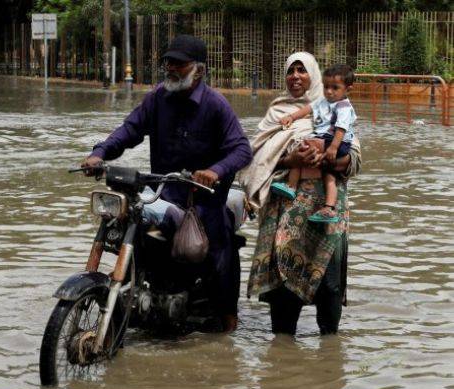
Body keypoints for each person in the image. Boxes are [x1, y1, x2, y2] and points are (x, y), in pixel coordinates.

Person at [81, 35, 253, 332]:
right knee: (132, 224)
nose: (171, 68)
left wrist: (215, 170)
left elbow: (241, 149)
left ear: (198, 69)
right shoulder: (157, 98)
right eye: (168, 62)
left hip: (203, 199)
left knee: (219, 249)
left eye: (179, 63)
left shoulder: (216, 105)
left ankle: (229, 320)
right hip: (162, 192)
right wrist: (100, 153)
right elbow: (129, 130)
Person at [240, 52, 362, 336]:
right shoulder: (277, 113)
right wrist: (292, 160)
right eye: (290, 71)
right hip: (285, 207)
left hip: (327, 209)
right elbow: (256, 159)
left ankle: (329, 353)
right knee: (283, 289)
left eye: (302, 70)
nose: (295, 76)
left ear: (314, 75)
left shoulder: (337, 108)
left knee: (329, 284)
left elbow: (355, 159)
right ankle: (282, 354)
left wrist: (328, 157)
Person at [272, 64, 357, 223]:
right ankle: (329, 208)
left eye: (334, 88)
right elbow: (307, 108)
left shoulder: (343, 106)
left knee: (304, 149)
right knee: (328, 174)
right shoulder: (323, 101)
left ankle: (291, 186)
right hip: (325, 139)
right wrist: (292, 117)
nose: (329, 91)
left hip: (335, 142)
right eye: (326, 87)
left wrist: (333, 148)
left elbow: (341, 129)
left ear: (348, 89)